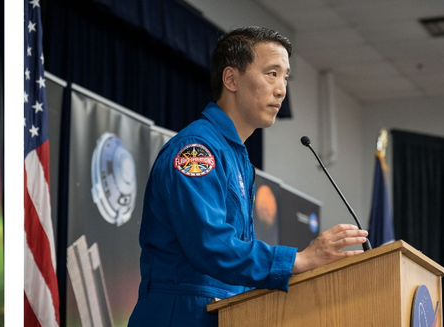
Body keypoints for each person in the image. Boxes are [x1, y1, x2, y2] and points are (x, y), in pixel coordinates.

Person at [127, 26, 369, 326]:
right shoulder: (197, 151)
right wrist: (297, 260)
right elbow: (209, 246)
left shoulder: (236, 157)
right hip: (181, 315)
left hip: (224, 312)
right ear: (231, 79)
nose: (281, 89)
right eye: (271, 73)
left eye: (285, 77)